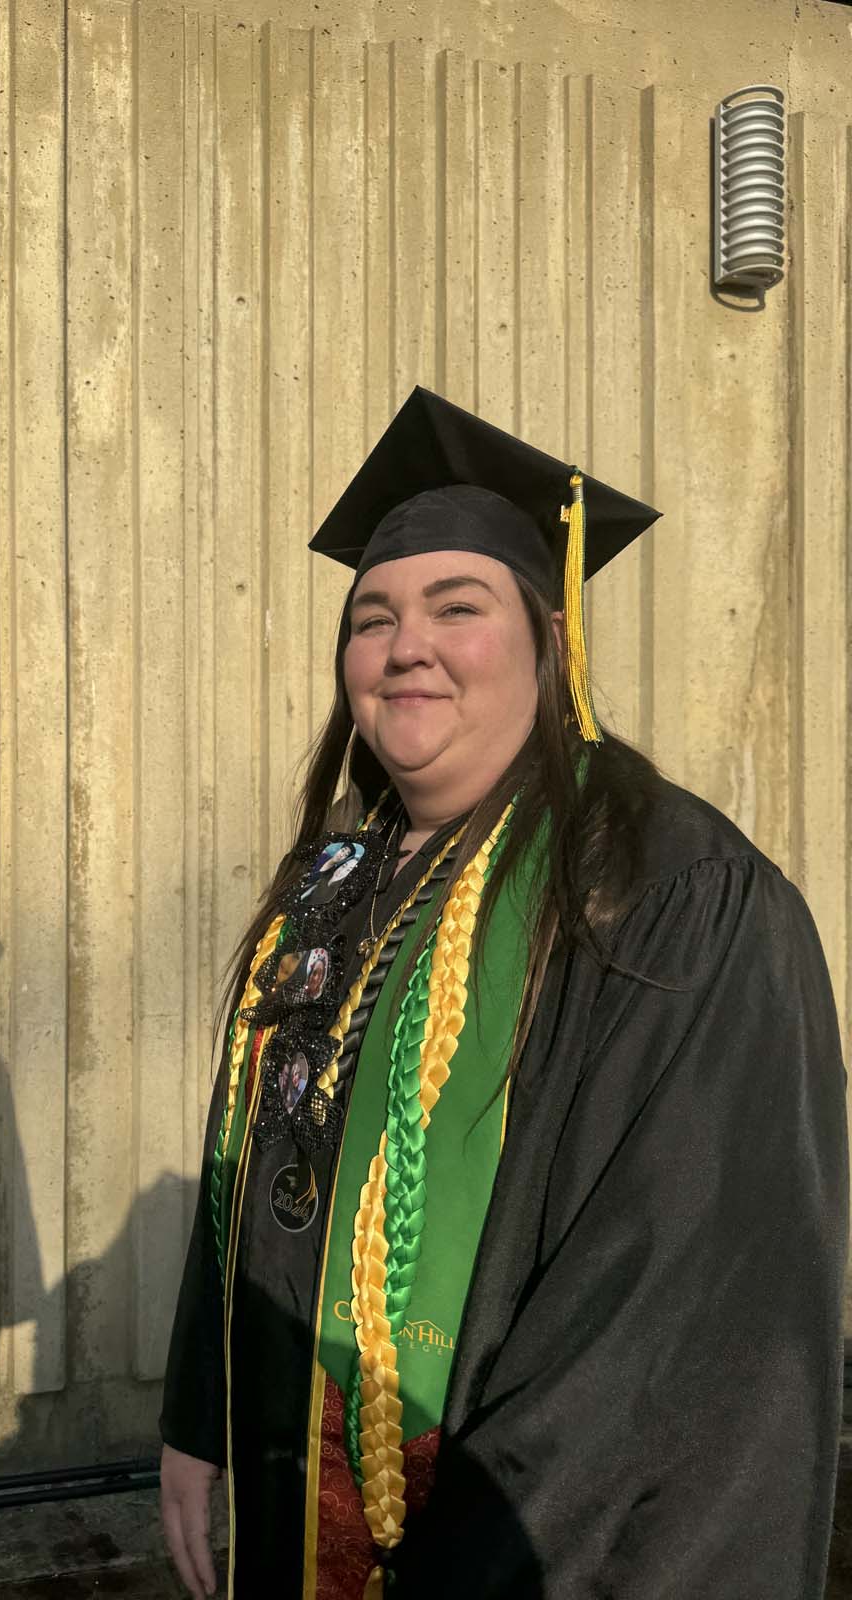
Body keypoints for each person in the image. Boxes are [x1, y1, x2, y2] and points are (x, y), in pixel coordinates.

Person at [159, 387, 848, 1600]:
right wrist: (202, 1413)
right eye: (372, 618)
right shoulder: (335, 882)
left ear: (550, 638)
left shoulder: (665, 894)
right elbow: (262, 1171)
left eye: (456, 607)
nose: (404, 646)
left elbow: (666, 1330)